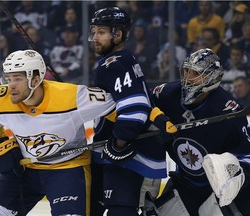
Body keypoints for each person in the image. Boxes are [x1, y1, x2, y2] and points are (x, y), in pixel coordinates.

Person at [0, 49, 116, 216]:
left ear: (35, 79)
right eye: (8, 78)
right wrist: (1, 144)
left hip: (67, 169)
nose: (10, 84)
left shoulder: (71, 96)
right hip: (25, 170)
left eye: (18, 78)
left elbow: (116, 104)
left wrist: (118, 134)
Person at [88, 7, 177, 216]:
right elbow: (144, 101)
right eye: (94, 32)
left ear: (117, 34)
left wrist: (119, 143)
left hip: (127, 155)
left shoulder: (113, 64)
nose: (94, 38)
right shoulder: (125, 60)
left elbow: (135, 108)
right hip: (133, 153)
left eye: (101, 32)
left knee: (119, 211)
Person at [149, 48, 250, 215]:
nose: (187, 77)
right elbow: (142, 102)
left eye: (195, 73)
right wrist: (155, 117)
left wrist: (236, 173)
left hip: (218, 189)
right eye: (186, 71)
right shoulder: (166, 94)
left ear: (211, 77)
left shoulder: (229, 112)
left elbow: (247, 154)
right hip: (185, 183)